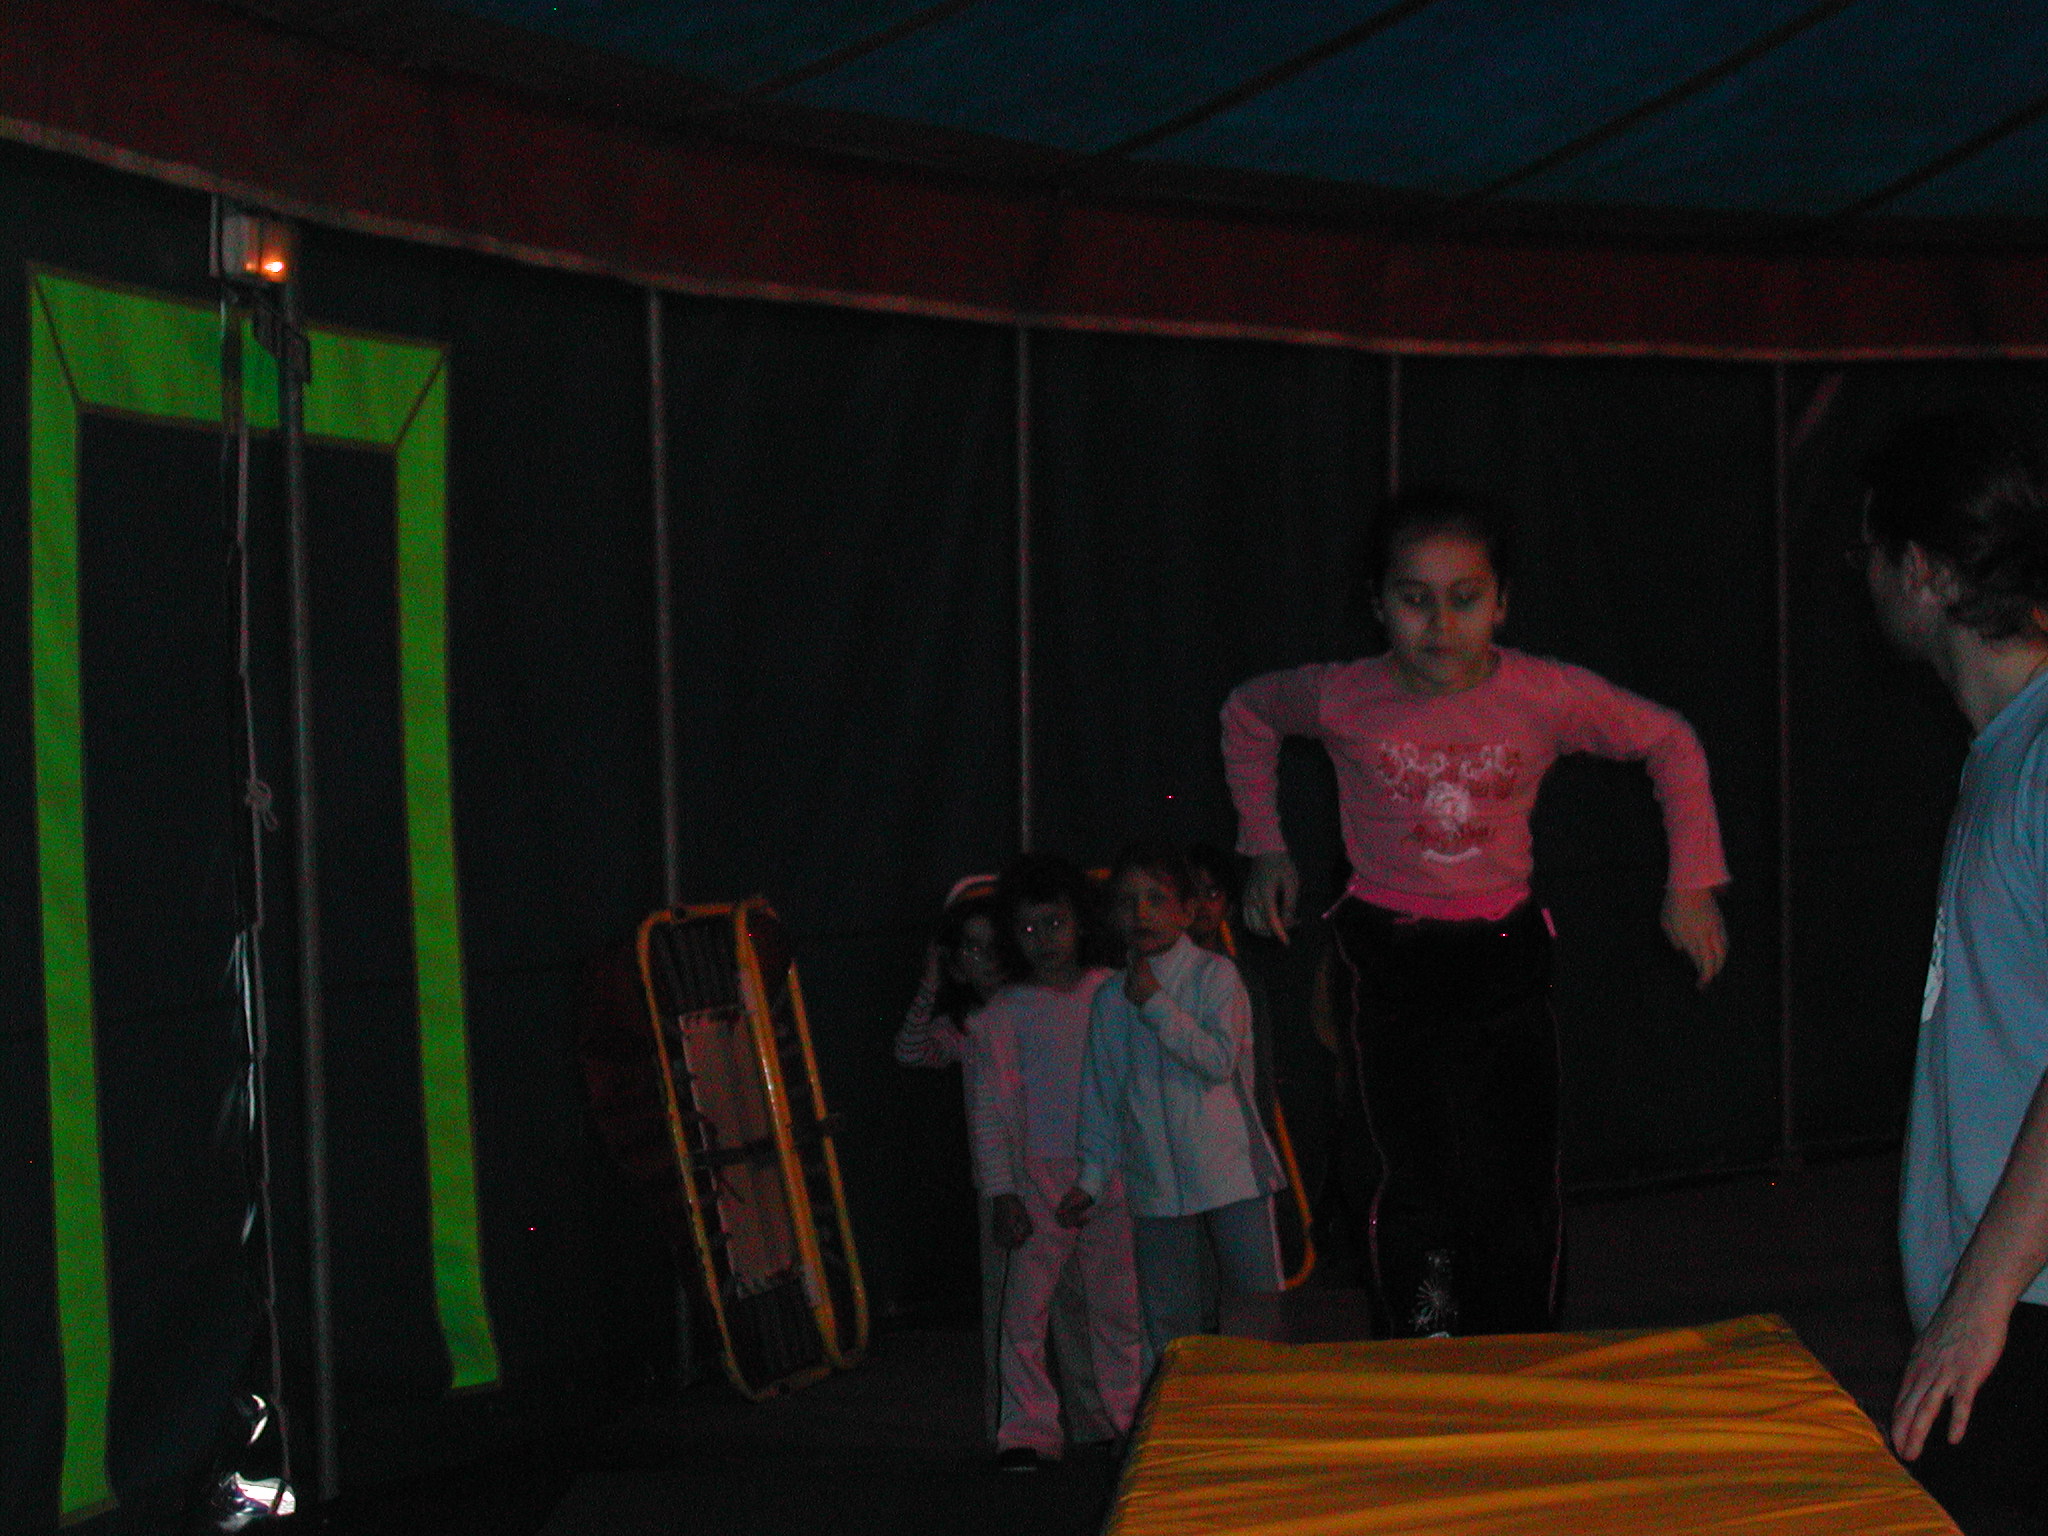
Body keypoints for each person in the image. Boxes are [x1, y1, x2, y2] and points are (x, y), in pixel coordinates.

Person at [1220, 486, 1729, 1336]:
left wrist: (1692, 884)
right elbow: (1247, 714)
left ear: (1501, 603)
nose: (1440, 625)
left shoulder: (1543, 694)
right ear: (1379, 604)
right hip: (1389, 955)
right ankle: (1426, 1330)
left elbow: (1669, 741)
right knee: (1408, 1162)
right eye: (1414, 599)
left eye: (1464, 599)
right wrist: (1265, 846)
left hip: (1501, 954)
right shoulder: (1345, 696)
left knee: (1514, 1165)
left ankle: (1519, 1332)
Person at [1859, 416, 2048, 1532]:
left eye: (1872, 551)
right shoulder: (2003, 754)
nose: (1863, 577)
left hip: (2021, 1316)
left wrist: (1979, 1301)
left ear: (1922, 573)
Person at [892, 879, 1104, 1444]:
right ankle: (1014, 1427)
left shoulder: (1040, 1008)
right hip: (1005, 1187)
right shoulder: (968, 1027)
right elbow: (910, 1050)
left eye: (993, 946)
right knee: (1013, 1312)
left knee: (1083, 1307)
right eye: (971, 949)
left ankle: (1094, 1419)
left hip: (1067, 1178)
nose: (984, 960)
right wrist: (930, 982)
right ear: (956, 961)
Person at [1061, 841, 1286, 1370]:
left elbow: (1218, 1060)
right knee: (1169, 1320)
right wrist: (1090, 1179)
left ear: (1187, 911)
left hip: (1230, 1174)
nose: (1141, 913)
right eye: (1128, 901)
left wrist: (1156, 1005)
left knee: (1255, 1301)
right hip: (1156, 1184)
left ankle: (1260, 1401)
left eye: (1156, 899)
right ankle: (1181, 1408)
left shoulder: (1216, 977)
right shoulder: (1109, 999)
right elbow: (1102, 1095)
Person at [969, 855, 1142, 1471]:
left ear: (1080, 922)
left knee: (1117, 1309)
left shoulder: (1114, 992)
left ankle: (1124, 1421)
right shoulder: (1000, 1015)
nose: (1043, 940)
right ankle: (1027, 1430)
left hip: (1111, 1176)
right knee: (1023, 1314)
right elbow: (988, 1113)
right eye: (1028, 929)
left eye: (1055, 924)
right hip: (1038, 1181)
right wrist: (1002, 1192)